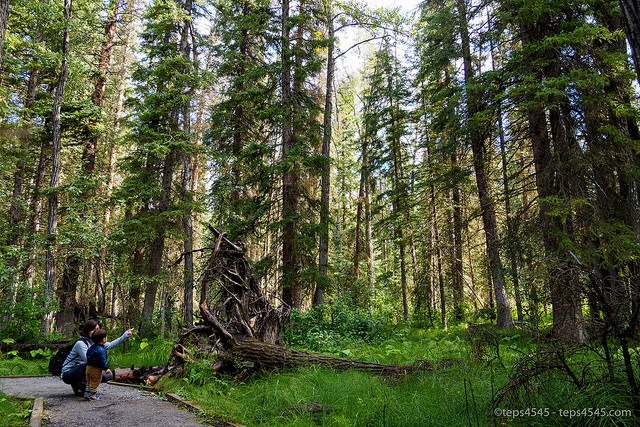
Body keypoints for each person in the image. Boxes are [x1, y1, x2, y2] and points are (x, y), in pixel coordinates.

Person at [60, 319, 133, 396]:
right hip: (68, 373)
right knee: (90, 366)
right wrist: (103, 365)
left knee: (107, 376)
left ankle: (82, 388)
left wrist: (125, 335)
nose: (96, 332)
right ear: (87, 331)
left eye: (98, 329)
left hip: (84, 370)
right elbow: (88, 360)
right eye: (93, 330)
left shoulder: (96, 342)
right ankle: (83, 389)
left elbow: (111, 344)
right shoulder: (80, 343)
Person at [84, 329, 110, 401]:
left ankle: (87, 394)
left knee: (89, 381)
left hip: (88, 367)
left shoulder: (92, 347)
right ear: (103, 339)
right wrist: (106, 368)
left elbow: (87, 355)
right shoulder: (101, 349)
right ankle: (93, 395)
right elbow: (103, 360)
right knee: (95, 380)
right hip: (96, 368)